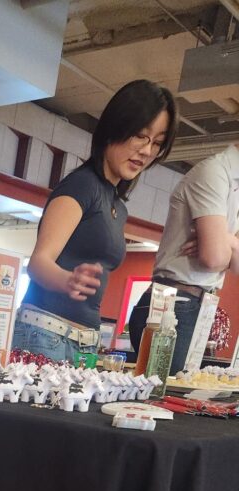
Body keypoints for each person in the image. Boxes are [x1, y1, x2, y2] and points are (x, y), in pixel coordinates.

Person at [12, 80, 178, 364]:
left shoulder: (116, 205)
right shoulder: (82, 186)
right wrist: (67, 280)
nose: (147, 151)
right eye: (141, 135)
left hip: (85, 340)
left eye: (157, 143)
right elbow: (38, 263)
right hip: (46, 332)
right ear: (116, 127)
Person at [129, 145, 239, 373]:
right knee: (155, 400)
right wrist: (221, 245)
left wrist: (226, 239)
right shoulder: (214, 173)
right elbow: (214, 258)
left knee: (177, 398)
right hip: (174, 302)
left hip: (198, 304)